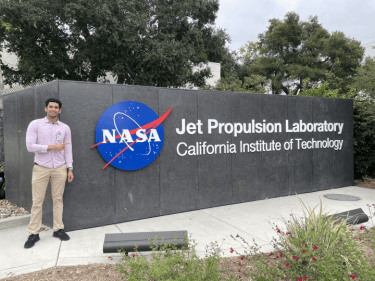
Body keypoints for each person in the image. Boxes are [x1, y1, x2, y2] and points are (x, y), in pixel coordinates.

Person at [24, 98, 74, 249]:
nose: (53, 109)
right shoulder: (35, 124)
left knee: (58, 199)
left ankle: (58, 229)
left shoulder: (65, 128)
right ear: (46, 109)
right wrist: (51, 147)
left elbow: (68, 149)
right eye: (50, 106)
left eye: (56, 107)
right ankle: (34, 233)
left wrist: (69, 168)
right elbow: (30, 146)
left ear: (59, 110)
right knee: (37, 202)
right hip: (41, 167)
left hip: (60, 168)